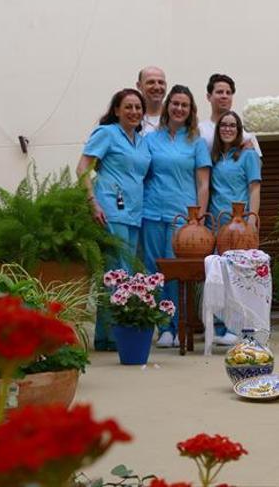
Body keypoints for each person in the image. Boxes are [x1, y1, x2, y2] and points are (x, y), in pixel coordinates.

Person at [76, 89, 152, 351]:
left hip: (134, 212)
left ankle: (115, 333)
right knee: (114, 271)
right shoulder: (106, 133)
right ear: (117, 110)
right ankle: (110, 336)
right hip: (109, 208)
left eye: (138, 108)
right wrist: (92, 202)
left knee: (127, 271)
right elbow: (82, 167)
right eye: (128, 107)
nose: (134, 112)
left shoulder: (142, 141)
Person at [142, 85, 211, 348]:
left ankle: (177, 325)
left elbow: (203, 183)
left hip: (182, 217)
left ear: (191, 110)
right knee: (153, 270)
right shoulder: (151, 139)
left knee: (176, 272)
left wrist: (200, 218)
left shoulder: (197, 141)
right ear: (168, 106)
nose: (179, 108)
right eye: (175, 103)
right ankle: (163, 328)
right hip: (151, 212)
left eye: (185, 105)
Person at [208, 110, 262, 345]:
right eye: (224, 125)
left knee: (238, 277)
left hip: (239, 225)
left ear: (239, 130)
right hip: (216, 223)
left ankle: (238, 328)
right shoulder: (216, 156)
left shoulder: (248, 155)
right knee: (220, 277)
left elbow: (254, 188)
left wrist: (252, 219)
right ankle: (224, 326)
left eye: (233, 125)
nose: (228, 129)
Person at [198, 74, 262, 156]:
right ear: (208, 97)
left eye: (228, 93)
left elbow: (256, 164)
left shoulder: (246, 133)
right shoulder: (199, 130)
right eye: (219, 92)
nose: (224, 96)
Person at [136, 66, 167, 135]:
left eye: (161, 82)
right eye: (151, 82)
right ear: (139, 86)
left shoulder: (176, 118)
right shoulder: (131, 118)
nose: (157, 87)